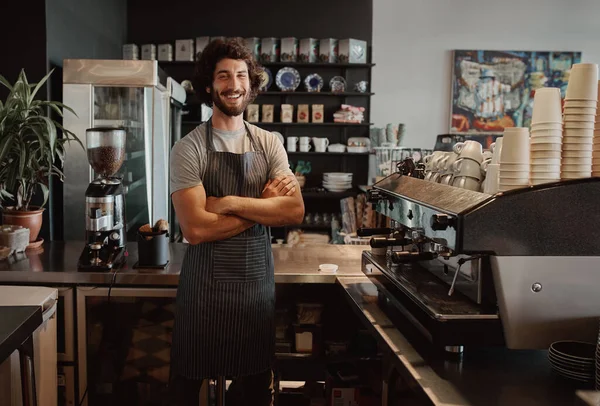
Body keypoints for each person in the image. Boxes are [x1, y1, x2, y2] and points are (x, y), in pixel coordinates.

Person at [168, 38, 305, 406]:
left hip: (255, 291)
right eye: (224, 75)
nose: (234, 84)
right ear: (209, 85)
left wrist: (227, 203)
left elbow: (293, 211)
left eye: (242, 75)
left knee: (255, 390)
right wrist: (262, 205)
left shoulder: (269, 143)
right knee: (185, 387)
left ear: (252, 83)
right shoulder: (189, 148)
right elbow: (195, 230)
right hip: (204, 294)